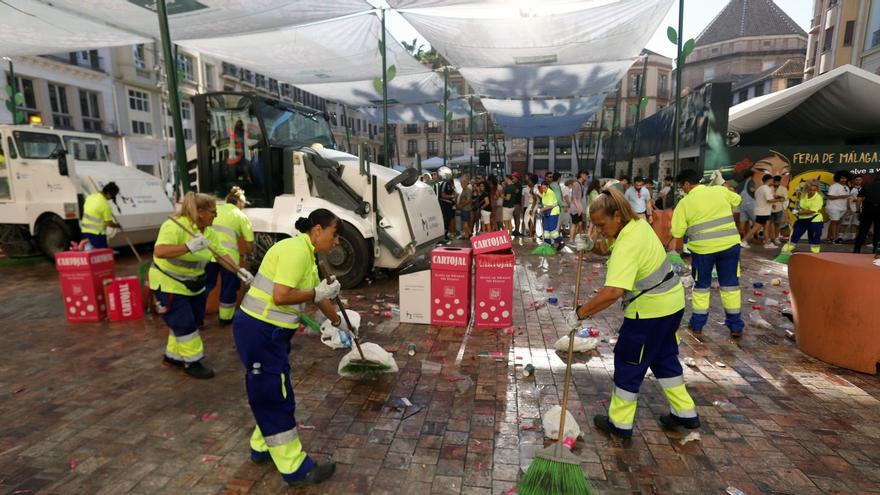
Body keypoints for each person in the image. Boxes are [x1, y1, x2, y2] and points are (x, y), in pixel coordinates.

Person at [575, 188, 698, 439]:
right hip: (672, 305)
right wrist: (593, 247)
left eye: (601, 225)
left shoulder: (627, 243)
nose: (598, 230)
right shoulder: (637, 226)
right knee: (664, 358)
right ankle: (685, 413)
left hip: (649, 313)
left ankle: (620, 423)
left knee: (629, 362)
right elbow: (613, 246)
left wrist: (580, 313)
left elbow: (612, 292)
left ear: (617, 216)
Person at [232, 209, 343, 486]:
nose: (336, 241)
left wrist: (340, 321)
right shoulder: (295, 251)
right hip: (260, 331)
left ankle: (261, 448)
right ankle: (297, 469)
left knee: (272, 388)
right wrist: (319, 293)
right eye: (334, 234)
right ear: (317, 230)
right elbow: (281, 296)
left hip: (269, 332)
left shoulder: (308, 254)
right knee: (274, 395)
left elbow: (317, 295)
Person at [151, 192, 248, 379]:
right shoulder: (174, 226)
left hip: (193, 284)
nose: (216, 216)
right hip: (170, 283)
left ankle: (172, 357)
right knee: (185, 323)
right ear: (200, 211)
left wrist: (239, 271)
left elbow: (220, 255)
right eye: (213, 212)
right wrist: (188, 247)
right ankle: (192, 362)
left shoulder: (210, 232)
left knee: (193, 320)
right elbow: (160, 251)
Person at [670, 169, 745, 338]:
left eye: (682, 187)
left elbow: (677, 231)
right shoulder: (719, 191)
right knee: (730, 285)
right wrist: (722, 183)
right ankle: (735, 326)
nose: (683, 190)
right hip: (730, 246)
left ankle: (697, 325)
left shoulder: (685, 203)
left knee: (701, 287)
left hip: (703, 251)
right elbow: (737, 199)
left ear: (687, 184)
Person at [205, 186, 254, 325]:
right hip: (229, 260)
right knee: (229, 287)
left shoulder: (215, 210)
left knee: (206, 285)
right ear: (240, 203)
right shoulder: (241, 216)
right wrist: (248, 253)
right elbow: (249, 243)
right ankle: (225, 319)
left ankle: (196, 317)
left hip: (208, 254)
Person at [780, 180, 825, 256]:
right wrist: (797, 207)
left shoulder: (818, 198)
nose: (812, 192)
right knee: (794, 235)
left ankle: (816, 255)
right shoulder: (803, 195)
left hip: (814, 220)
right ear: (806, 189)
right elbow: (799, 203)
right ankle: (784, 252)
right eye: (810, 189)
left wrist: (798, 212)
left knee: (814, 238)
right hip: (802, 219)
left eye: (814, 190)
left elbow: (812, 211)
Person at [740, 174, 782, 249]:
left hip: (761, 211)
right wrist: (779, 200)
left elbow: (762, 200)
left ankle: (767, 243)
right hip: (763, 212)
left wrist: (772, 204)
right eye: (772, 180)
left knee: (766, 227)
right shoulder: (766, 189)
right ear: (769, 180)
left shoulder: (760, 188)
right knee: (756, 227)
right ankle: (743, 241)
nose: (773, 181)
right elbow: (769, 200)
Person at [80, 182, 121, 249]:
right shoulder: (105, 205)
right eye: (112, 196)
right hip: (97, 234)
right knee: (102, 253)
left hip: (85, 231)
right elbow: (109, 224)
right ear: (108, 194)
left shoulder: (90, 197)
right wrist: (117, 225)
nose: (111, 198)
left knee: (90, 253)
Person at [853, 174, 880, 254]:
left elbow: (859, 199)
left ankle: (857, 249)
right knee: (878, 231)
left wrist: (858, 211)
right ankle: (875, 250)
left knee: (863, 230)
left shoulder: (867, 185)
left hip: (867, 209)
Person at [825, 171, 851, 244]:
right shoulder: (834, 186)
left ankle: (829, 237)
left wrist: (849, 208)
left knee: (835, 222)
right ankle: (834, 238)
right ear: (838, 178)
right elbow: (830, 197)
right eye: (842, 178)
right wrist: (842, 196)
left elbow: (848, 198)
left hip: (842, 208)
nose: (844, 180)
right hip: (833, 207)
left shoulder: (846, 187)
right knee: (835, 222)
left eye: (845, 178)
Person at [540, 179, 562, 250]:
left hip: (553, 212)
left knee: (552, 231)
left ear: (548, 186)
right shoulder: (544, 192)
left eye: (544, 188)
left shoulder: (550, 193)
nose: (543, 189)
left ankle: (561, 242)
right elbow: (545, 203)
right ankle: (548, 245)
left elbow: (550, 206)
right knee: (546, 231)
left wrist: (541, 210)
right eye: (542, 188)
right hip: (547, 213)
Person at [437, 167, 456, 239]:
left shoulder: (451, 184)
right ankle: (444, 234)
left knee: (449, 220)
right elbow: (442, 195)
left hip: (451, 205)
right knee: (446, 219)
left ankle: (447, 233)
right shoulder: (444, 183)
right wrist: (452, 196)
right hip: (445, 205)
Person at [569, 171, 587, 241]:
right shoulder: (576, 184)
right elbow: (574, 198)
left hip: (579, 207)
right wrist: (578, 208)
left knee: (579, 223)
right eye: (585, 174)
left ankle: (576, 239)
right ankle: (571, 240)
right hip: (575, 208)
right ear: (581, 175)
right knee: (574, 224)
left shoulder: (581, 185)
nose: (586, 176)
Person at [769, 175, 787, 245]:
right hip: (770, 209)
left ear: (780, 182)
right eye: (775, 181)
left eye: (777, 182)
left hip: (779, 208)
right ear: (773, 182)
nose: (776, 183)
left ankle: (776, 238)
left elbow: (784, 198)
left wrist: (777, 197)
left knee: (777, 224)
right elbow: (768, 199)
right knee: (770, 224)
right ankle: (771, 238)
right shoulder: (769, 188)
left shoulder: (783, 189)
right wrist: (779, 198)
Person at [846, 175, 863, 241]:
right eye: (857, 180)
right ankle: (840, 237)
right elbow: (848, 199)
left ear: (862, 181)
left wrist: (859, 200)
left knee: (856, 224)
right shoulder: (849, 189)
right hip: (851, 209)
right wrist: (849, 208)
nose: (858, 181)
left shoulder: (864, 189)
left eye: (860, 180)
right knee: (845, 224)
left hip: (859, 209)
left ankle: (855, 237)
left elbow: (864, 198)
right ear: (854, 180)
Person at [457, 175, 473, 240]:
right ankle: (469, 233)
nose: (461, 184)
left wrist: (461, 205)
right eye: (461, 182)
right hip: (465, 208)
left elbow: (469, 200)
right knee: (465, 222)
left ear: (466, 182)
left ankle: (466, 235)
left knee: (465, 222)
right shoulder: (465, 189)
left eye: (462, 182)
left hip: (465, 209)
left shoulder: (467, 189)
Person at [523, 174, 537, 238]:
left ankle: (530, 234)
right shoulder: (534, 188)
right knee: (530, 220)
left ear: (532, 181)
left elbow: (535, 200)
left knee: (530, 220)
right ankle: (531, 233)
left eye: (529, 181)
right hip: (532, 205)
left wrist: (532, 208)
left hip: (532, 205)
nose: (528, 182)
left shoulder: (533, 189)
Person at [512, 172, 524, 236]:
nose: (512, 179)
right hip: (514, 203)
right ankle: (516, 229)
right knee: (515, 217)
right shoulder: (514, 184)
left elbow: (516, 192)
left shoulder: (519, 185)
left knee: (517, 217)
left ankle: (517, 230)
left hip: (517, 203)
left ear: (517, 178)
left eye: (513, 178)